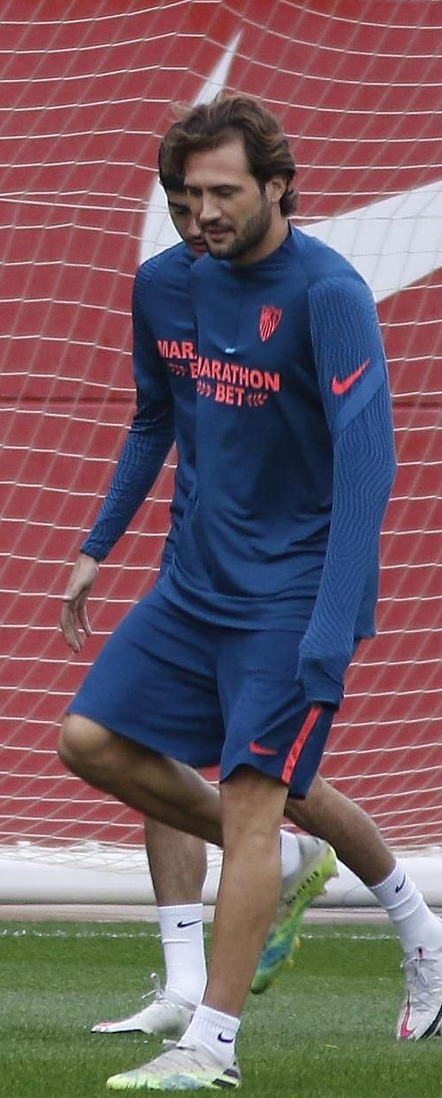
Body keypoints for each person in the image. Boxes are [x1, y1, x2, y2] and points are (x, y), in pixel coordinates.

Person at [61, 120, 442, 1047]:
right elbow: (156, 420)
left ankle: (211, 1045)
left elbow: (369, 465)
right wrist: (99, 544)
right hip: (194, 586)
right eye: (188, 194)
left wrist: (329, 623)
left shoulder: (329, 294)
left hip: (293, 596)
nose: (203, 212)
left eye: (224, 191)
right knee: (92, 742)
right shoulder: (166, 283)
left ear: (279, 186)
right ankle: (317, 885)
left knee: (256, 793)